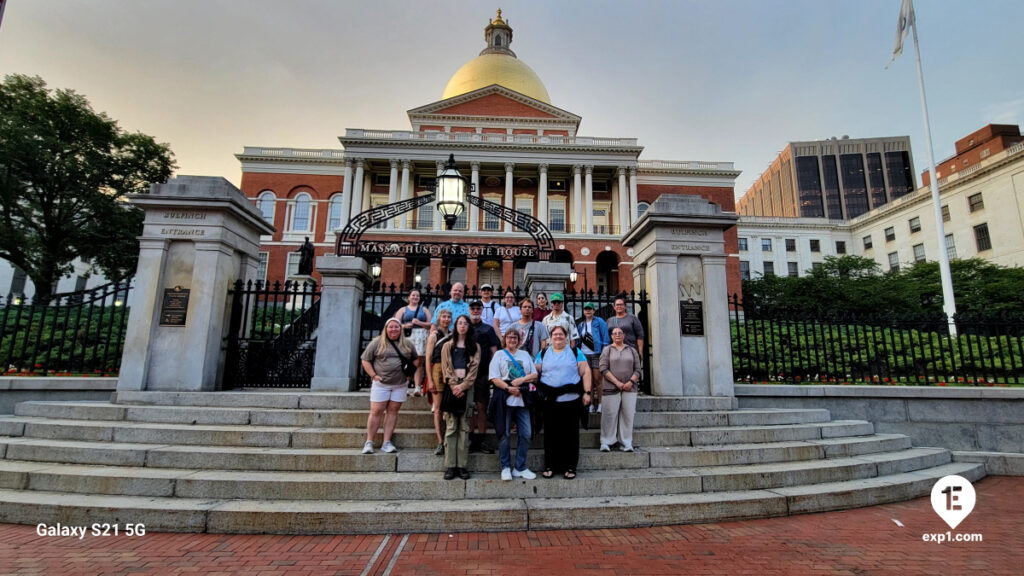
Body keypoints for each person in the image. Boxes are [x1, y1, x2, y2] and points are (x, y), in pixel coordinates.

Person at [534, 325, 592, 479]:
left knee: (570, 434)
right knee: (551, 434)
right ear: (550, 337)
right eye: (555, 334)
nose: (558, 337)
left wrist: (587, 393)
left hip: (571, 400)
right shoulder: (544, 352)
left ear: (566, 337)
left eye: (561, 334)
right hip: (550, 400)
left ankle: (570, 466)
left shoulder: (575, 352)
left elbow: (586, 371)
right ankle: (550, 465)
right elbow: (535, 372)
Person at [360, 318, 418, 454]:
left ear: (401, 329)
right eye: (391, 327)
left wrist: (410, 373)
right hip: (381, 383)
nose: (394, 330)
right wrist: (373, 375)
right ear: (386, 329)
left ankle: (387, 441)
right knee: (376, 411)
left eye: (396, 327)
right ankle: (369, 441)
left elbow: (416, 358)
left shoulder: (407, 344)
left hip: (400, 384)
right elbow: (365, 360)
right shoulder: (377, 342)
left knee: (393, 411)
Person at [488, 328, 539, 480]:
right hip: (505, 398)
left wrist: (521, 381)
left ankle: (520, 466)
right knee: (504, 434)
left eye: (515, 338)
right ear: (505, 339)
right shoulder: (499, 355)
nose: (512, 340)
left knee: (526, 433)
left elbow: (534, 375)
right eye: (509, 337)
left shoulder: (525, 355)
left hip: (522, 400)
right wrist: (509, 388)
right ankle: (505, 466)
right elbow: (494, 378)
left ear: (519, 340)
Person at [440, 315, 480, 480]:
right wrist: (454, 385)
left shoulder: (475, 347)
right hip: (451, 388)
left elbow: (474, 370)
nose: (463, 326)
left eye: (466, 323)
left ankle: (462, 466)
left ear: (469, 327)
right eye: (460, 323)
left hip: (467, 387)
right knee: (451, 427)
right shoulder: (447, 346)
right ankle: (450, 465)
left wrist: (463, 386)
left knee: (464, 427)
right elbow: (445, 368)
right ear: (455, 326)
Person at [598, 326, 641, 452]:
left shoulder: (632, 350)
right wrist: (617, 382)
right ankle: (606, 441)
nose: (617, 335)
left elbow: (638, 369)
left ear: (624, 335)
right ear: (611, 336)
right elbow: (603, 368)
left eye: (620, 333)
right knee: (609, 415)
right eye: (615, 333)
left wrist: (630, 382)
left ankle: (626, 442)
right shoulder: (607, 350)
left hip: (629, 388)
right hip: (611, 387)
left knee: (628, 415)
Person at [468, 300, 501, 454]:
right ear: (469, 310)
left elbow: (494, 352)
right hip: (466, 374)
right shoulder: (464, 327)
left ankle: (481, 438)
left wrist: (492, 373)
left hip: (482, 374)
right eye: (473, 308)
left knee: (481, 406)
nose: (475, 310)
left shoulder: (488, 329)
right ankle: (469, 437)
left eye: (478, 308)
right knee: (469, 407)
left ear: (481, 310)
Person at [424, 308, 452, 456]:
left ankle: (448, 438)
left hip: (450, 370)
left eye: (448, 317)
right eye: (444, 317)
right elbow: (428, 359)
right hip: (437, 370)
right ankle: (440, 441)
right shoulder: (434, 335)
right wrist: (429, 379)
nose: (446, 319)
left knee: (448, 408)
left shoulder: (453, 335)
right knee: (438, 408)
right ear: (439, 319)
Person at [394, 289, 432, 397]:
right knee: (406, 362)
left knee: (418, 363)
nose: (415, 297)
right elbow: (396, 323)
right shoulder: (402, 310)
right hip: (407, 336)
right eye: (413, 295)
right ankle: (404, 387)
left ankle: (417, 388)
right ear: (409, 297)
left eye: (417, 296)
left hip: (421, 336)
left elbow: (431, 324)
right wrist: (405, 326)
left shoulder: (424, 310)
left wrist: (419, 322)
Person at [577, 302, 610, 414]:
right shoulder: (581, 325)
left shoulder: (599, 322)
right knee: (588, 381)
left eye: (590, 309)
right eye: (586, 309)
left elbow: (605, 337)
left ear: (593, 311)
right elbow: (578, 340)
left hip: (596, 353)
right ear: (583, 311)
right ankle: (591, 404)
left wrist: (604, 352)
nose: (588, 311)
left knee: (598, 379)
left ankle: (600, 404)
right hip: (585, 355)